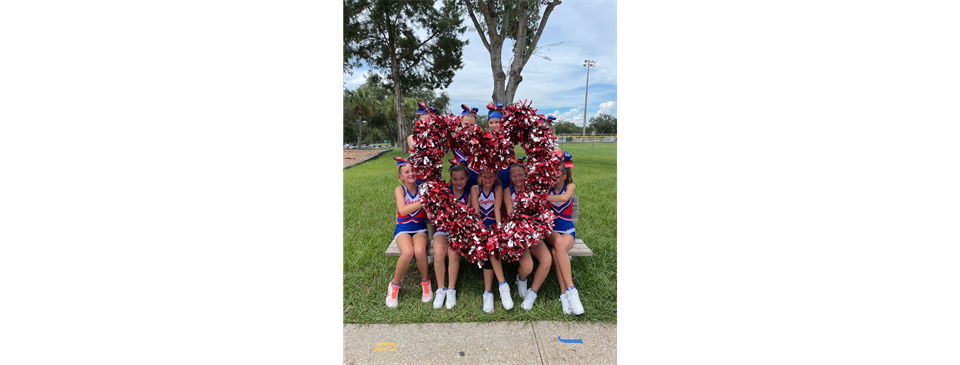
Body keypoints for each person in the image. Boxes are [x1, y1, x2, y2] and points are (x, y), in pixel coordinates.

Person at [502, 159, 554, 310]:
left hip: (532, 233)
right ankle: (521, 278)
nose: (517, 178)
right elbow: (511, 213)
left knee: (546, 260)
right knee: (528, 267)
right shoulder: (508, 191)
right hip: (517, 234)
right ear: (510, 177)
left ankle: (533, 293)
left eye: (520, 174)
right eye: (513, 176)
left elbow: (538, 212)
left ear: (526, 174)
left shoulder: (532, 191)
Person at [386, 157, 433, 308]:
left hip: (419, 228)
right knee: (407, 252)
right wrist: (423, 201)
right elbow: (403, 210)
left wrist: (432, 206)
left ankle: (425, 282)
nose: (411, 173)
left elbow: (430, 215)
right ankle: (394, 285)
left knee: (419, 251)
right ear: (401, 176)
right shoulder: (400, 190)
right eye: (406, 172)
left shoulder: (423, 188)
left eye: (413, 170)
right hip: (403, 229)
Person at [545, 151, 584, 315]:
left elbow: (564, 198)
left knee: (556, 252)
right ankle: (572, 290)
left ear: (564, 176)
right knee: (558, 244)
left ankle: (564, 294)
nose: (552, 178)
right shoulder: (547, 188)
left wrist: (542, 197)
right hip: (551, 230)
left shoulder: (570, 187)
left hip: (567, 229)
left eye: (556, 176)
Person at [470, 168, 513, 313]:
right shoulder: (475, 189)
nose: (487, 180)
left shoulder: (498, 188)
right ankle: (502, 284)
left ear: (495, 177)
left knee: (491, 245)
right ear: (480, 176)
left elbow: (496, 209)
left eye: (490, 177)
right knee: (489, 245)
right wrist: (481, 230)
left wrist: (499, 228)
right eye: (485, 177)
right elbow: (476, 211)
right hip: (479, 228)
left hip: (494, 227)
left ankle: (488, 292)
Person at [430, 164, 470, 310]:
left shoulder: (468, 195)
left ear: (467, 179)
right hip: (443, 229)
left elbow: (469, 216)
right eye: (455, 179)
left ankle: (451, 289)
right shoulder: (445, 192)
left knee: (453, 255)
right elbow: (434, 210)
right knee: (439, 253)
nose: (458, 182)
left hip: (458, 232)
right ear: (451, 179)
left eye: (461, 179)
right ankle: (441, 289)